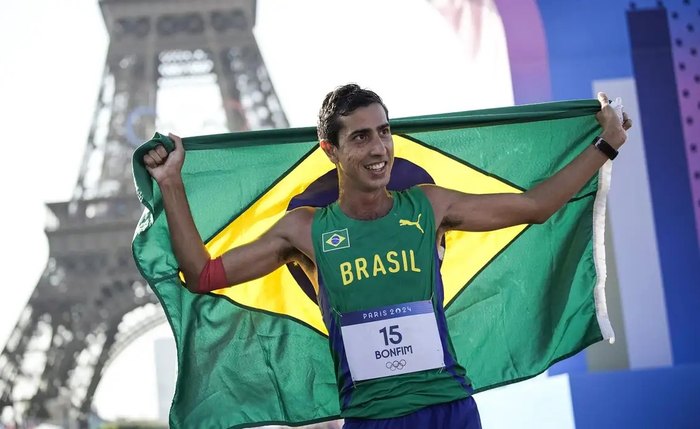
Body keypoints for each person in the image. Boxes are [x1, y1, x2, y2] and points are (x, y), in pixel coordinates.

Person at [143, 84, 632, 428]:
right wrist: (171, 184)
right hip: (372, 419)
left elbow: (537, 206)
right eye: (360, 137)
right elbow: (203, 274)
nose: (379, 148)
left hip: (449, 409)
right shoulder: (306, 231)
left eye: (384, 131)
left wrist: (606, 145)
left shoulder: (430, 205)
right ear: (330, 150)